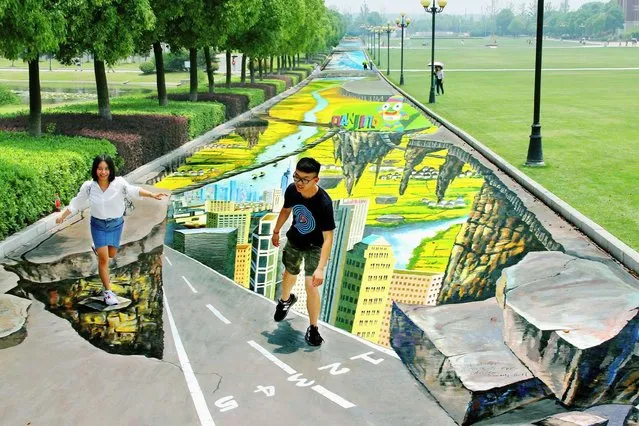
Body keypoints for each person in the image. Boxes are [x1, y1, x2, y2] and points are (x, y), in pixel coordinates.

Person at [56, 154, 168, 305]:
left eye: (106, 169)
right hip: (98, 225)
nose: (103, 172)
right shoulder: (89, 187)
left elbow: (133, 190)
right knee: (103, 260)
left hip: (116, 224)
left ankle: (98, 248)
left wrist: (152, 195)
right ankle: (108, 292)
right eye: (100, 169)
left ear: (111, 170)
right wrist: (63, 215)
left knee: (111, 254)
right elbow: (77, 202)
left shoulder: (119, 183)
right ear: (95, 170)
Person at [271, 157, 335, 346]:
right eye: (296, 177)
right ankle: (285, 300)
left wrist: (321, 268)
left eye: (304, 179)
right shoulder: (292, 190)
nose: (299, 183)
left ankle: (313, 328)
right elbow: (286, 210)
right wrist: (276, 231)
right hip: (295, 240)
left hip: (315, 247)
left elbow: (328, 238)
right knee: (289, 273)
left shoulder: (324, 203)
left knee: (311, 285)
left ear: (316, 180)